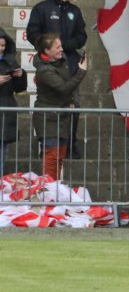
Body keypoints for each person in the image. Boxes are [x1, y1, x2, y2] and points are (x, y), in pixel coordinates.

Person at [32, 32, 87, 181]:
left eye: (61, 46)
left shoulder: (61, 61)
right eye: (57, 47)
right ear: (46, 51)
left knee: (59, 159)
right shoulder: (44, 70)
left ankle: (53, 191)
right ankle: (48, 193)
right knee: (51, 159)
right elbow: (64, 87)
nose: (61, 49)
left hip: (61, 117)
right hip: (48, 119)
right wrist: (81, 71)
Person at [0, 27, 27, 172]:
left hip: (5, 110)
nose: (1, 49)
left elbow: (20, 88)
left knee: (2, 151)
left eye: (3, 45)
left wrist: (20, 75)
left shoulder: (10, 61)